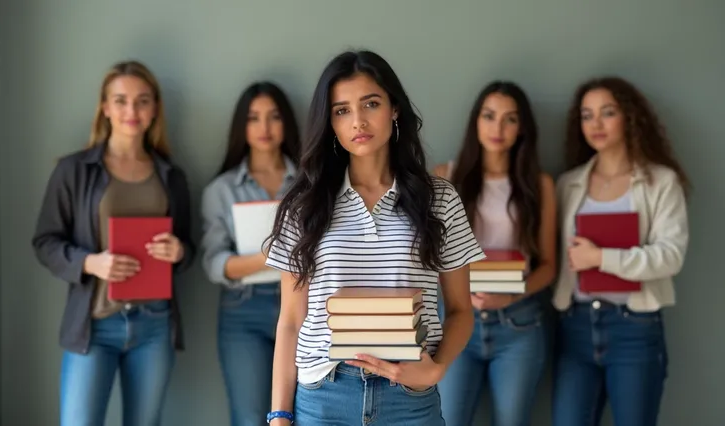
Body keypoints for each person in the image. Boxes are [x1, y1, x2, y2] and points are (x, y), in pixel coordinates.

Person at [262, 50, 486, 426]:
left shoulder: (440, 198)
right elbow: (290, 321)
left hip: (409, 400)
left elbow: (461, 310)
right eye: (342, 110)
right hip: (323, 398)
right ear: (329, 122)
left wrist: (435, 370)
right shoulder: (303, 204)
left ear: (394, 109)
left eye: (371, 104)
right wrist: (279, 416)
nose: (358, 121)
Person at [31, 60, 195, 426]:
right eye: (120, 101)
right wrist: (90, 263)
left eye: (142, 100)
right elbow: (45, 241)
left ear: (155, 108)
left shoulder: (171, 175)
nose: (131, 111)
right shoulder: (73, 170)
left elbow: (188, 248)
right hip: (95, 325)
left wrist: (179, 251)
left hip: (155, 325)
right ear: (105, 107)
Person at [551, 76, 690, 426]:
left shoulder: (661, 181)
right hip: (576, 327)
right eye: (587, 115)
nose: (595, 124)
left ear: (629, 117)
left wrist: (600, 258)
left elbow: (670, 256)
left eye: (607, 112)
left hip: (635, 328)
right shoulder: (568, 184)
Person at [433, 81, 556, 426]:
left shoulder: (538, 184)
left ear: (522, 128)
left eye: (509, 119)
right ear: (476, 121)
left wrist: (509, 295)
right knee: (447, 419)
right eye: (489, 116)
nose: (498, 128)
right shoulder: (446, 176)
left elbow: (548, 267)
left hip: (518, 324)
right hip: (456, 319)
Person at [200, 81, 301, 426]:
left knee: (309, 412)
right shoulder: (221, 190)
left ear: (286, 123)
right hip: (243, 310)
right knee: (250, 417)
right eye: (253, 118)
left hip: (304, 305)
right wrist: (270, 256)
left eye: (274, 117)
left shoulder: (310, 183)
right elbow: (214, 264)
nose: (264, 128)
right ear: (241, 126)